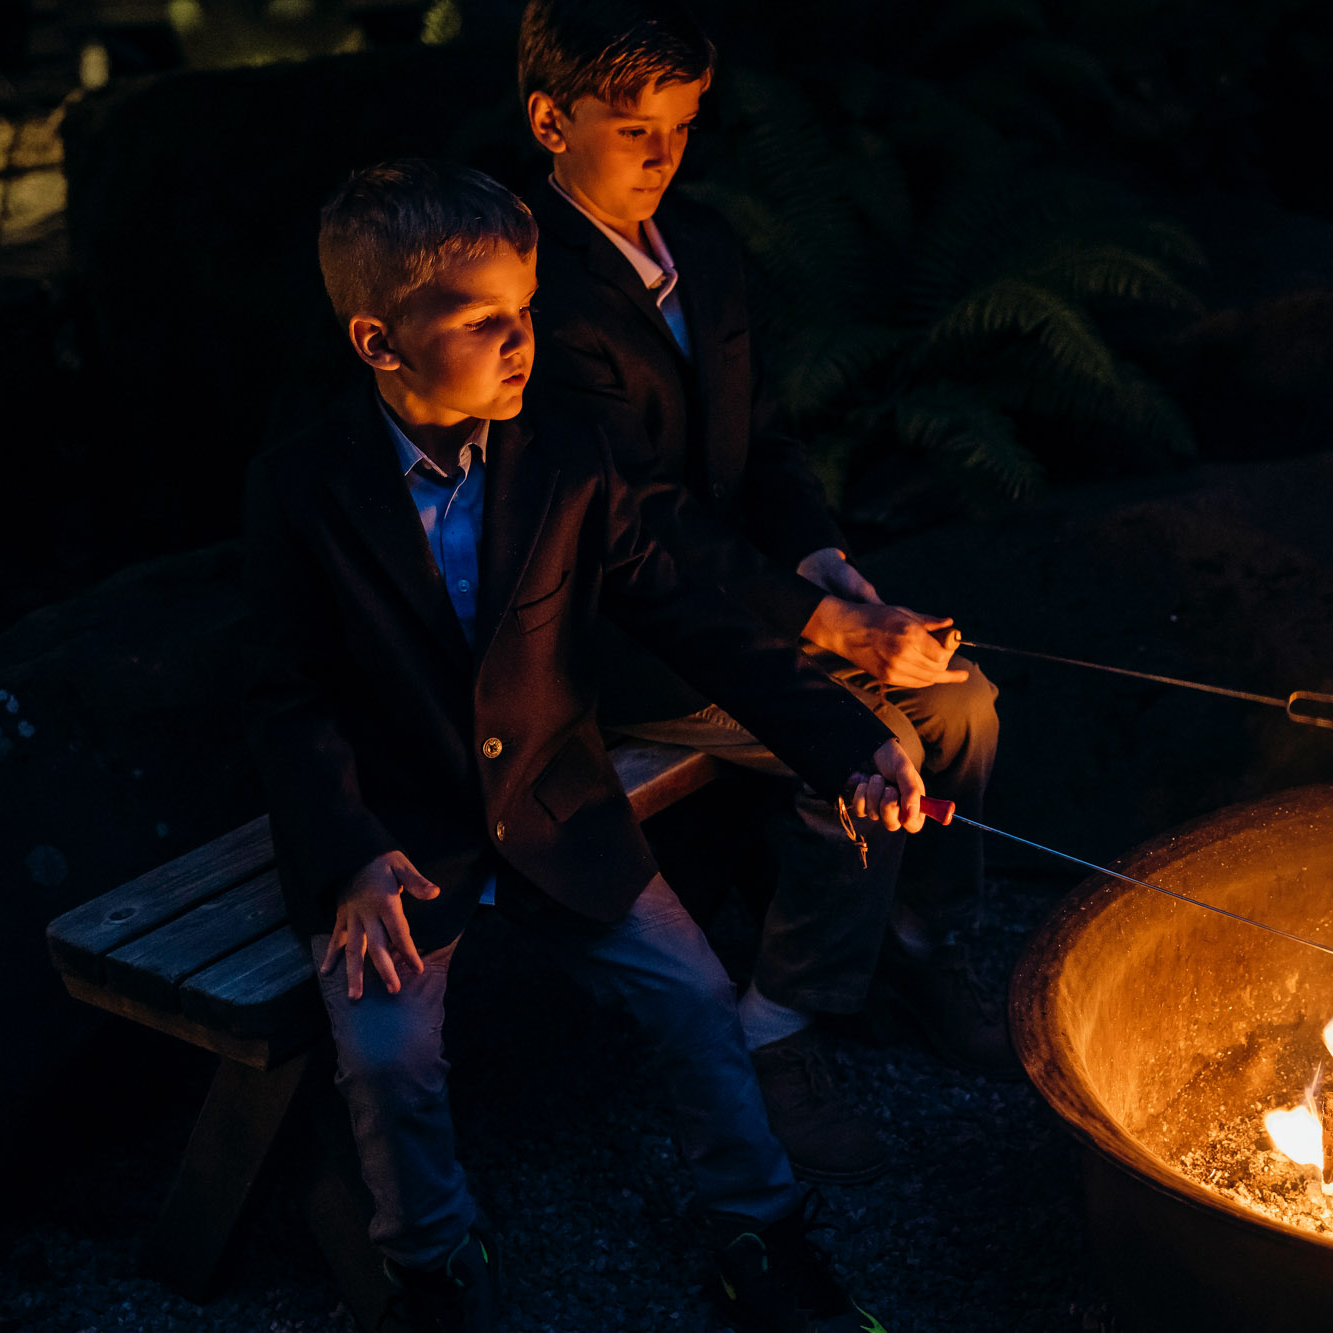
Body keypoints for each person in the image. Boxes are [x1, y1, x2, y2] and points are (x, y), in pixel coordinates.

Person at [242, 157, 919, 1333]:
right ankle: (432, 1264)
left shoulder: (562, 459)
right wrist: (347, 856)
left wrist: (845, 746)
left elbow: (695, 621)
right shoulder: (300, 487)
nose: (522, 341)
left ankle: (755, 1228)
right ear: (377, 340)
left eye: (528, 310)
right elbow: (284, 694)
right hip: (396, 839)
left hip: (560, 808)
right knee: (390, 1058)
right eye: (484, 320)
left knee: (698, 998)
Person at [515, 0, 1011, 1185]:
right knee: (869, 745)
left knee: (966, 705)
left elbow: (766, 446)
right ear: (548, 119)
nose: (661, 154)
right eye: (632, 127)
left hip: (744, 596)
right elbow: (625, 515)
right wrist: (822, 625)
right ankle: (776, 1025)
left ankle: (908, 941)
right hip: (625, 638)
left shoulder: (704, 249)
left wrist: (824, 561)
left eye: (681, 127)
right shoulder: (530, 282)